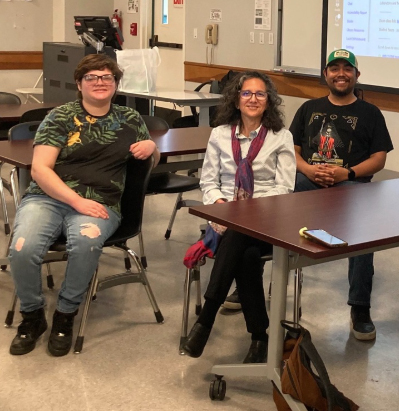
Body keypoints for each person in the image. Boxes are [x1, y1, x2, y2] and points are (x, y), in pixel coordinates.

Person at [9, 54, 159, 357]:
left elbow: (147, 164)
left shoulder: (130, 120)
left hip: (103, 201)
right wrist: (77, 201)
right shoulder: (61, 116)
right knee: (22, 249)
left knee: (86, 244)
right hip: (48, 198)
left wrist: (152, 147)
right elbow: (40, 169)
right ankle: (33, 315)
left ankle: (65, 315)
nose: (100, 82)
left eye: (107, 77)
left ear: (116, 84)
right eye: (92, 77)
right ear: (80, 84)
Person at [181, 71, 295, 364]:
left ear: (268, 101)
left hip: (269, 220)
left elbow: (284, 189)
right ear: (236, 99)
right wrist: (221, 205)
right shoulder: (219, 134)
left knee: (239, 228)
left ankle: (206, 318)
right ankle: (260, 337)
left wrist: (245, 212)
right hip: (225, 217)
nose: (253, 99)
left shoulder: (281, 137)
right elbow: (208, 182)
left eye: (260, 94)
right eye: (247, 93)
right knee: (245, 257)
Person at [290, 49, 393, 341]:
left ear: (356, 76)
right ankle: (253, 278)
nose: (340, 74)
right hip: (308, 183)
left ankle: (360, 307)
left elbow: (379, 158)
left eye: (347, 69)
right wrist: (309, 170)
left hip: (351, 186)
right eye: (334, 68)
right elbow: (292, 151)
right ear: (325, 75)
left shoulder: (370, 113)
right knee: (269, 204)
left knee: (363, 227)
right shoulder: (308, 108)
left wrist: (346, 173)